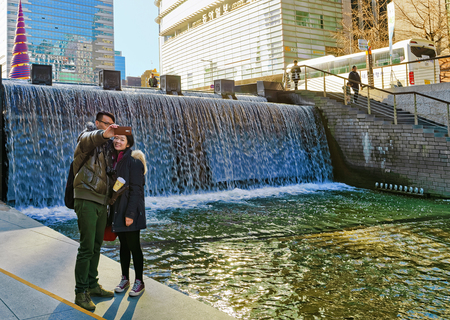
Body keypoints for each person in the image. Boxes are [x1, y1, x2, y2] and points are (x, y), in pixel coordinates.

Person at [73, 111, 118, 310]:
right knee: (86, 247)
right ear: (98, 123)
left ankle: (92, 284)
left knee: (96, 246)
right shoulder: (87, 136)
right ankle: (80, 292)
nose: (109, 127)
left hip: (102, 201)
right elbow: (89, 138)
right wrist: (104, 134)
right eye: (105, 124)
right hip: (86, 197)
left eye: (112, 125)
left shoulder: (108, 149)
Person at [109, 133, 147, 297]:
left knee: (134, 246)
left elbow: (137, 190)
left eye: (121, 139)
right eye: (116, 138)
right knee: (123, 246)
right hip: (118, 210)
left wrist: (130, 214)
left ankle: (140, 281)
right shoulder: (114, 160)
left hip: (130, 211)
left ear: (128, 143)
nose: (117, 141)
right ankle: (125, 278)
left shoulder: (134, 162)